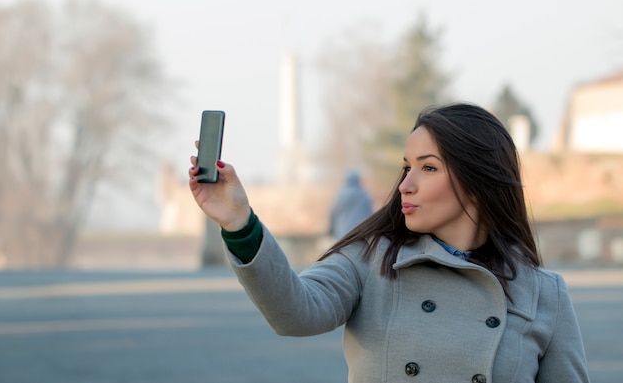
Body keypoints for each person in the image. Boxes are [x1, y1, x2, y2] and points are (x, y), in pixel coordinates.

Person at [188, 102, 590, 383]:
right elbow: (295, 313)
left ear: (477, 181)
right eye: (406, 167)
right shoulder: (371, 260)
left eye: (428, 168)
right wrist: (240, 223)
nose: (406, 185)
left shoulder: (543, 293)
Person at [329, 169, 374, 240]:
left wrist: (331, 228)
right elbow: (370, 213)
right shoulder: (364, 195)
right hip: (359, 231)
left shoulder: (340, 195)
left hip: (342, 231)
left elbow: (333, 212)